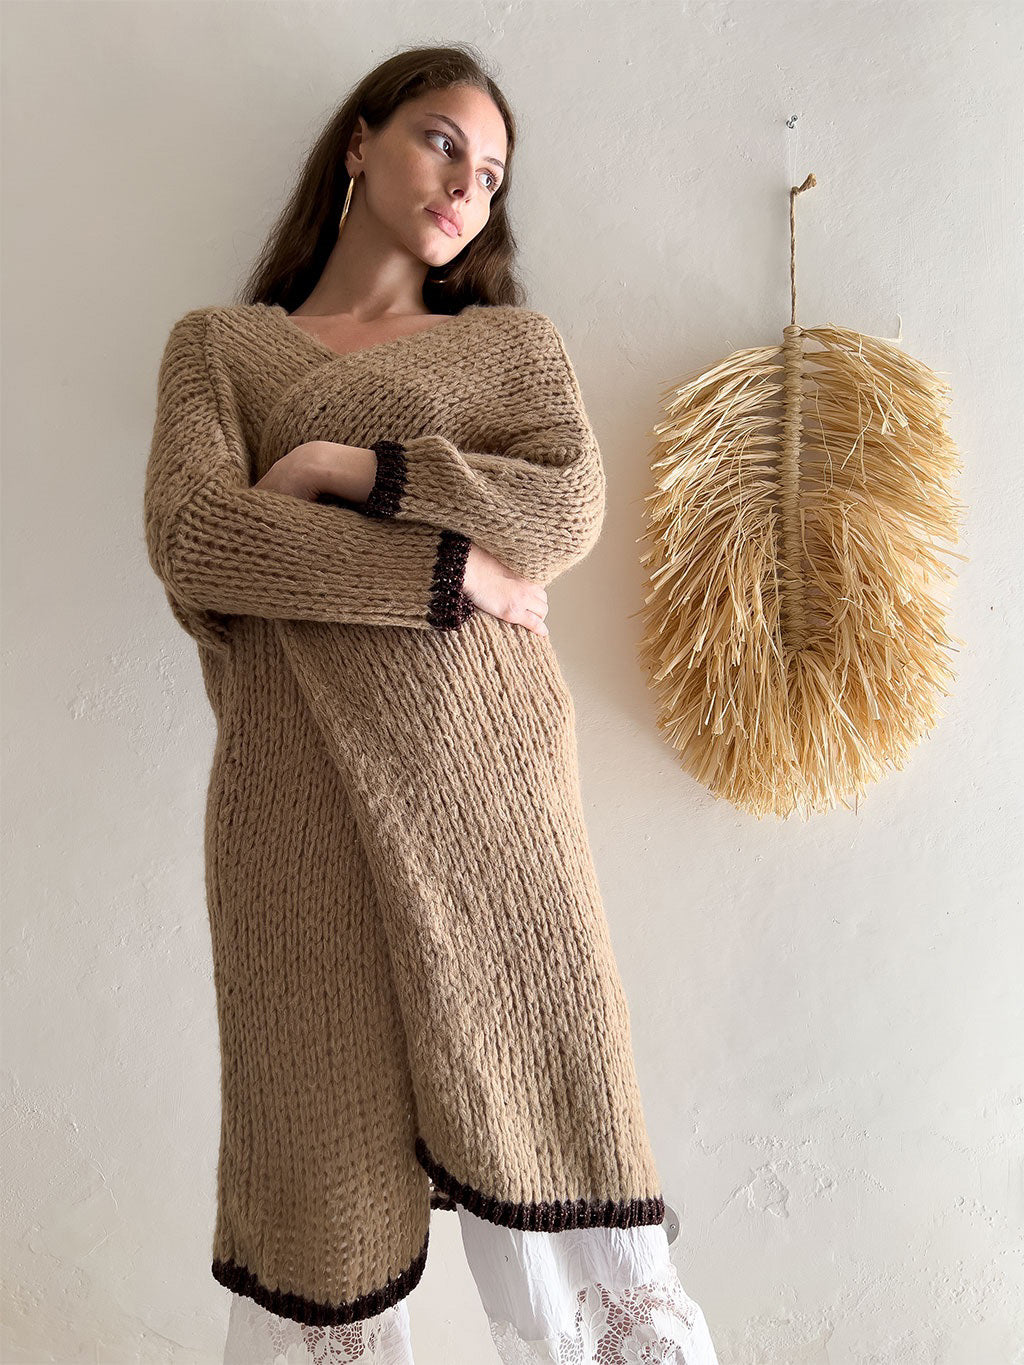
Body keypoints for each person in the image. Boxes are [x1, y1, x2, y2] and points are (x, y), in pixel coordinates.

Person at [144, 41, 720, 1365]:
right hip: (295, 813)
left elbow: (563, 511)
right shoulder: (220, 350)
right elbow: (201, 542)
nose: (466, 185)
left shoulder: (510, 350)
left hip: (491, 795)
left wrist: (345, 467)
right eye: (441, 141)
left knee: (557, 1130)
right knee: (318, 1192)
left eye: (492, 173)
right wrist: (453, 575)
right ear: (360, 143)